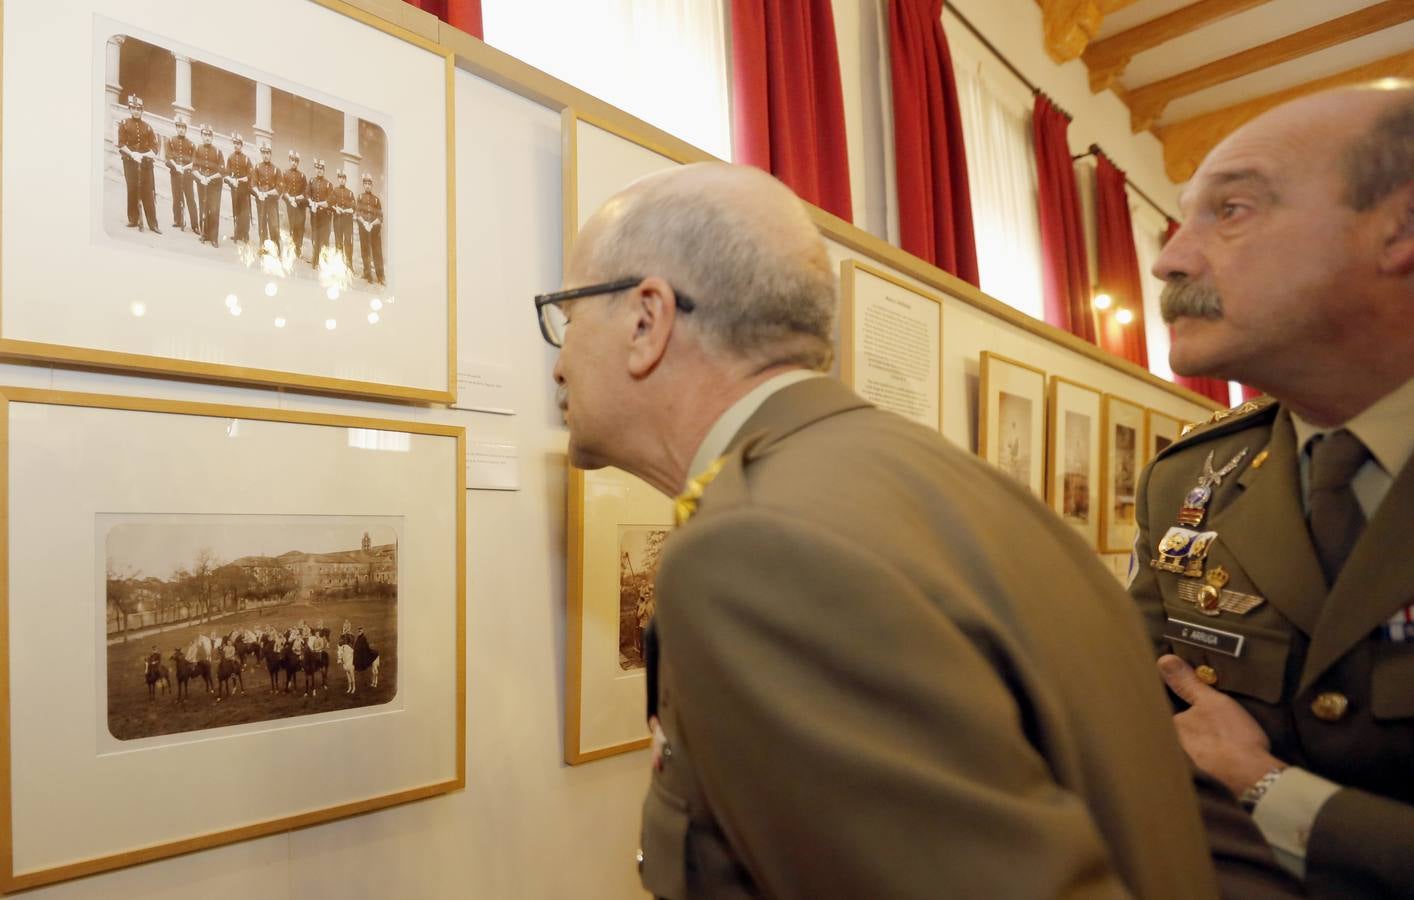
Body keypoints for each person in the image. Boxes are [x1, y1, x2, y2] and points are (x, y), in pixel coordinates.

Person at [543, 162, 1224, 899]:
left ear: (647, 320)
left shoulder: (759, 546)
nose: (558, 362)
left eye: (569, 317)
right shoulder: (947, 483)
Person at [1130, 82, 1414, 899]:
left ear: (1401, 226)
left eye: (1234, 209)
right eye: (1181, 218)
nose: (1171, 258)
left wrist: (1273, 793)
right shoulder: (1191, 478)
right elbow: (1145, 707)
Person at [116, 95, 160, 233]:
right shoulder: (123, 124)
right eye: (134, 108)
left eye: (139, 109)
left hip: (146, 164)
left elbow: (155, 149)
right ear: (130, 109)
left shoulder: (148, 127)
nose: (136, 111)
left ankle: (153, 224)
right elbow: (121, 144)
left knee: (148, 192)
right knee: (132, 189)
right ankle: (133, 219)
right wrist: (132, 154)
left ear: (142, 110)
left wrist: (142, 155)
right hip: (130, 162)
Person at [193, 124, 224, 247]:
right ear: (201, 136)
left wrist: (209, 178)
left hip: (215, 185)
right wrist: (201, 178)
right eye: (205, 135)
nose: (207, 137)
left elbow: (222, 171)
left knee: (214, 210)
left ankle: (214, 237)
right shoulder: (198, 149)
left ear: (212, 137)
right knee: (203, 207)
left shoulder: (217, 152)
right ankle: (204, 233)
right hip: (202, 183)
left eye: (209, 135)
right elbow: (194, 167)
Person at [165, 118, 197, 232]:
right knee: (176, 197)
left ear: (186, 129)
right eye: (179, 127)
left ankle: (195, 225)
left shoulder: (191, 144)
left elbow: (194, 161)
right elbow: (168, 157)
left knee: (190, 199)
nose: (181, 130)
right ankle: (177, 220)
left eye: (183, 127)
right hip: (175, 174)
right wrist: (176, 166)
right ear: (176, 128)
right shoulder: (170, 141)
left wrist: (184, 167)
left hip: (187, 175)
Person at [251, 143, 282, 254]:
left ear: (270, 154)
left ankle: (276, 249)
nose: (265, 155)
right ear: (261, 154)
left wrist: (267, 193)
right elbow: (253, 184)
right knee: (262, 224)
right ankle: (263, 246)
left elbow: (279, 188)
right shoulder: (257, 167)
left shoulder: (276, 170)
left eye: (267, 153)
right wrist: (259, 193)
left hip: (271, 202)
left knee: (274, 225)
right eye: (263, 153)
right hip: (260, 200)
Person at [355, 173, 384, 285]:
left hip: (374, 230)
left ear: (372, 185)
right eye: (365, 183)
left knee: (377, 252)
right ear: (363, 185)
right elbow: (358, 213)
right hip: (364, 229)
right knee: (365, 251)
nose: (367, 186)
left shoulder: (376, 200)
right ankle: (367, 274)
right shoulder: (360, 197)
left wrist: (372, 224)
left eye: (369, 184)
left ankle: (381, 277)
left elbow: (380, 217)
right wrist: (364, 223)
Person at [225, 133, 253, 245]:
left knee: (244, 213)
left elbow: (251, 174)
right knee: (236, 211)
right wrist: (230, 180)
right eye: (235, 143)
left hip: (244, 189)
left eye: (238, 144)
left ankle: (245, 234)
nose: (236, 146)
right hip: (234, 189)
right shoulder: (230, 157)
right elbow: (226, 173)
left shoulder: (246, 159)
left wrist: (246, 178)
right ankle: (237, 233)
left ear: (241, 145)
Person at [281, 150, 308, 260]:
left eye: (296, 161)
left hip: (300, 205)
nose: (294, 163)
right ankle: (292, 248)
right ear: (289, 160)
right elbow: (283, 190)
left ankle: (298, 248)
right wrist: (289, 199)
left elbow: (306, 192)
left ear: (298, 162)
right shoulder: (285, 174)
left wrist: (297, 199)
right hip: (290, 204)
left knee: (300, 227)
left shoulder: (302, 176)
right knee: (292, 226)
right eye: (292, 160)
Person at [306, 159, 333, 268]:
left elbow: (330, 202)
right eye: (317, 168)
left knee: (324, 239)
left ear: (324, 170)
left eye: (321, 168)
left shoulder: (328, 184)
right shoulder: (312, 181)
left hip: (325, 216)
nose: (319, 170)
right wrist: (311, 202)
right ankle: (315, 260)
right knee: (315, 237)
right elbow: (307, 194)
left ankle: (324, 262)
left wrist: (318, 204)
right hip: (314, 215)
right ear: (315, 169)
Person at [330, 170, 356, 269]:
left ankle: (349, 265)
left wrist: (345, 210)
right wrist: (336, 209)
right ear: (338, 179)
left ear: (346, 180)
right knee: (338, 241)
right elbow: (330, 203)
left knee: (348, 242)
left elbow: (354, 208)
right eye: (340, 178)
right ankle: (339, 264)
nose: (342, 180)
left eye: (343, 178)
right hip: (338, 220)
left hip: (348, 221)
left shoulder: (350, 193)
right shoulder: (334, 191)